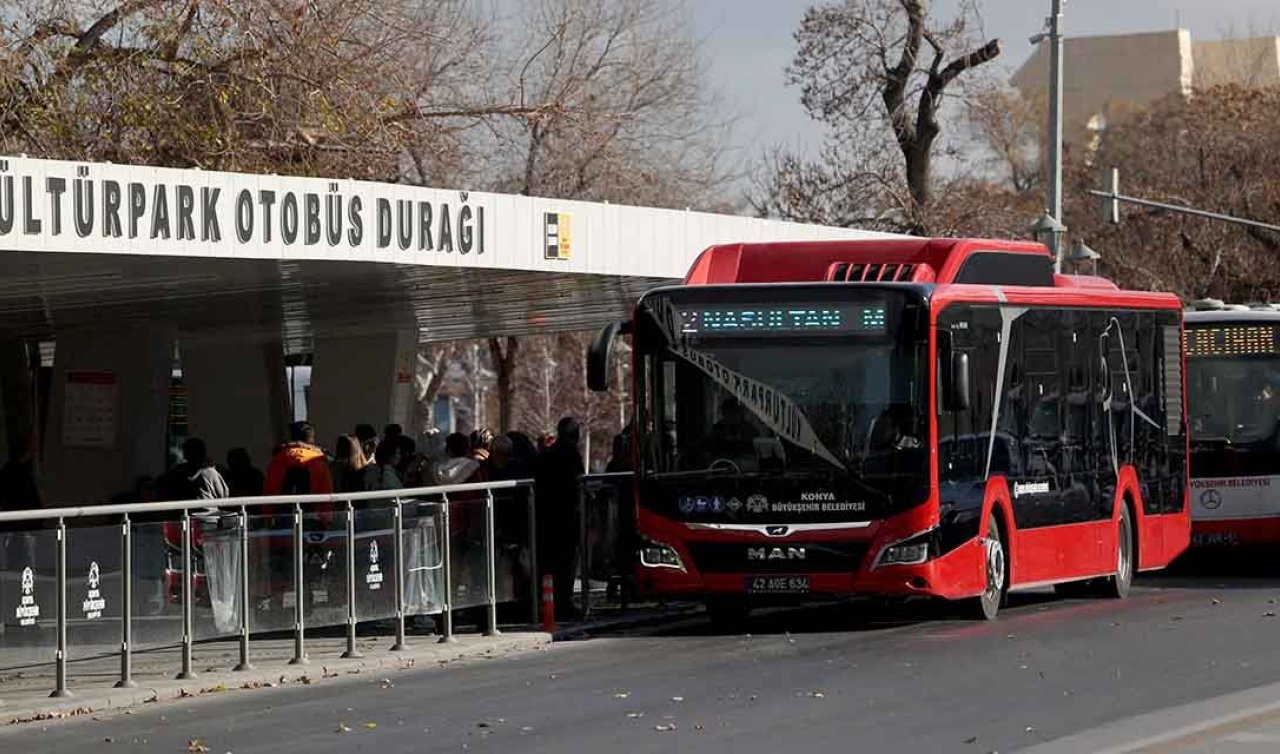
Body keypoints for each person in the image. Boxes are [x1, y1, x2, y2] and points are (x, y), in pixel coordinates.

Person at [535, 417, 585, 618]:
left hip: (546, 516)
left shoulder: (546, 454)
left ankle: (549, 603)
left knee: (549, 563)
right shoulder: (572, 455)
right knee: (566, 563)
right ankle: (564, 603)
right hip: (566, 515)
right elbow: (578, 482)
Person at [263, 421, 334, 496]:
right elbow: (326, 492)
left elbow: (268, 490)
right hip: (312, 505)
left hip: (281, 505)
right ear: (310, 439)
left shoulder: (276, 462)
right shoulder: (318, 461)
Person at [158, 437, 230, 501]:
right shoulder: (212, 472)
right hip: (209, 513)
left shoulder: (176, 471)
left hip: (185, 512)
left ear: (185, 454)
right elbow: (224, 496)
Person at [0, 435, 40, 513]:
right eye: (32, 449)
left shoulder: (26, 470)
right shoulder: (11, 471)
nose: (35, 452)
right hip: (17, 517)